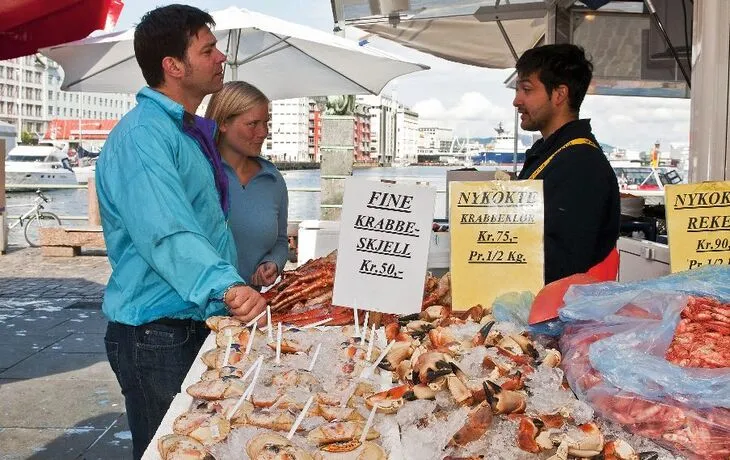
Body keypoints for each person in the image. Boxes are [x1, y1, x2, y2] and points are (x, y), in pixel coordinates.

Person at [95, 5, 266, 458]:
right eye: (208, 50)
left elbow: (202, 225)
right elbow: (166, 232)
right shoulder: (143, 136)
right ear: (173, 66)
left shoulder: (186, 132)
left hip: (190, 321)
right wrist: (228, 286)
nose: (220, 59)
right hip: (158, 332)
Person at [513, 44, 620, 284]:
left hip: (558, 313)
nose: (516, 100)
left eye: (526, 89)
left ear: (560, 94)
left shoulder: (580, 164)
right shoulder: (553, 154)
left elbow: (564, 262)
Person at [205, 81, 289, 287]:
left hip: (249, 311)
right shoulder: (201, 172)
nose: (263, 132)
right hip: (196, 312)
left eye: (266, 123)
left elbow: (280, 241)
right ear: (223, 123)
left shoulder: (273, 180)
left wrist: (274, 263)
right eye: (253, 124)